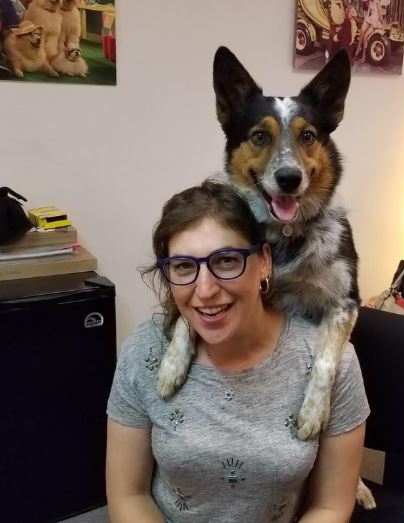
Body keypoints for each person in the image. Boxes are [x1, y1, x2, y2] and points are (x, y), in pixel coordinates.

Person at [106, 180, 370, 523]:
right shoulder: (144, 352)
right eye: (184, 266)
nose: (205, 290)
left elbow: (331, 506)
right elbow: (128, 494)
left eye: (227, 261)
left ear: (263, 262)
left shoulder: (332, 361)